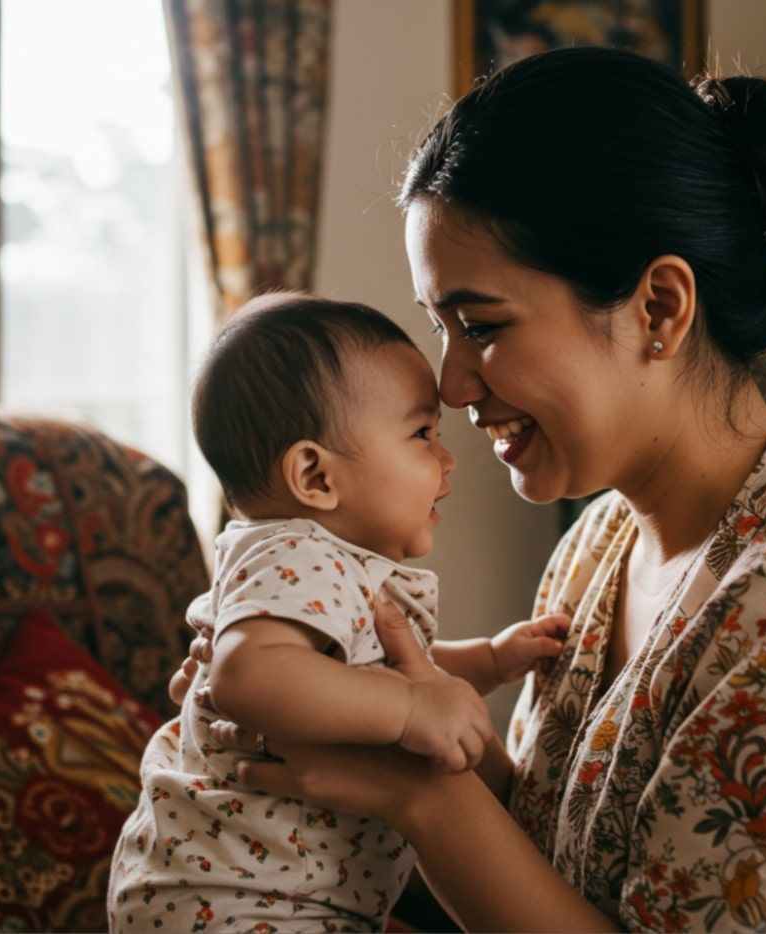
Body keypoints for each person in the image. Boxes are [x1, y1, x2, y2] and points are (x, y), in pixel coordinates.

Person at [175, 48, 766, 932]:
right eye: (438, 326)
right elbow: (559, 853)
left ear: (660, 309)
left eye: (480, 325)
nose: (450, 386)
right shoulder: (599, 542)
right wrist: (341, 694)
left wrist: (423, 797)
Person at [108, 293, 570, 932]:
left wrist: (485, 662)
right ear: (314, 477)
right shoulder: (296, 554)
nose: (447, 455)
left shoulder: (318, 565)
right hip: (236, 905)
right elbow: (247, 677)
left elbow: (361, 667)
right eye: (421, 433)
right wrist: (412, 710)